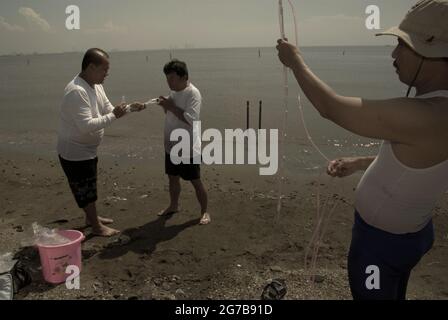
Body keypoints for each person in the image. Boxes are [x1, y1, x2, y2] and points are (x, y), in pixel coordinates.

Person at [276, 0, 448, 300]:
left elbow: (331, 107)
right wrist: (361, 162)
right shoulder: (434, 111)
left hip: (381, 247)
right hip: (413, 235)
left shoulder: (426, 113)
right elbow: (424, 162)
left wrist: (295, 61)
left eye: (402, 45)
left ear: (430, 49)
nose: (394, 53)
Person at [57, 48, 145, 237]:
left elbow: (109, 110)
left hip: (88, 149)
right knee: (85, 190)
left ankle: (91, 218)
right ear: (91, 67)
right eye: (104, 70)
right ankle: (96, 227)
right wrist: (114, 115)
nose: (107, 74)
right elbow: (86, 126)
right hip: (74, 151)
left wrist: (130, 108)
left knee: (90, 186)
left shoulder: (96, 85)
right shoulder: (76, 91)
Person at [157, 59, 210, 225]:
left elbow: (192, 119)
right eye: (167, 78)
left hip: (187, 146)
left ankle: (205, 212)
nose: (169, 81)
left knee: (195, 180)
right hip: (171, 145)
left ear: (184, 77)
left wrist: (170, 106)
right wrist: (165, 105)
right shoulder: (173, 92)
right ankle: (173, 205)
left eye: (172, 78)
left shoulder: (193, 93)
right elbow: (171, 112)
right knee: (172, 178)